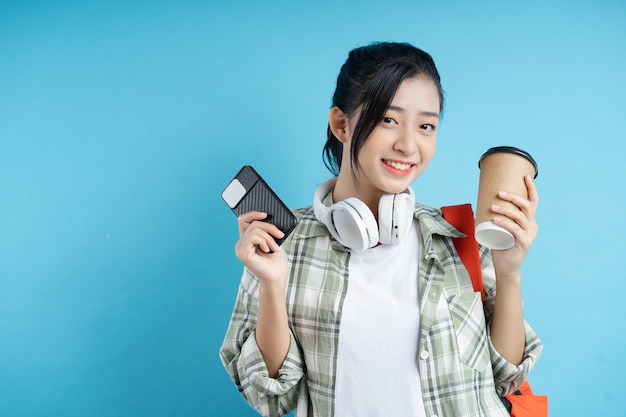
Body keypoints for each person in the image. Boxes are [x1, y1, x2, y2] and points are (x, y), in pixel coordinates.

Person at [220, 41, 542, 417]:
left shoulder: (459, 235)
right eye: (389, 119)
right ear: (342, 124)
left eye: (426, 126)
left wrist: (509, 273)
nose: (408, 145)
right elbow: (273, 396)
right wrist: (272, 284)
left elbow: (506, 376)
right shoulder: (282, 242)